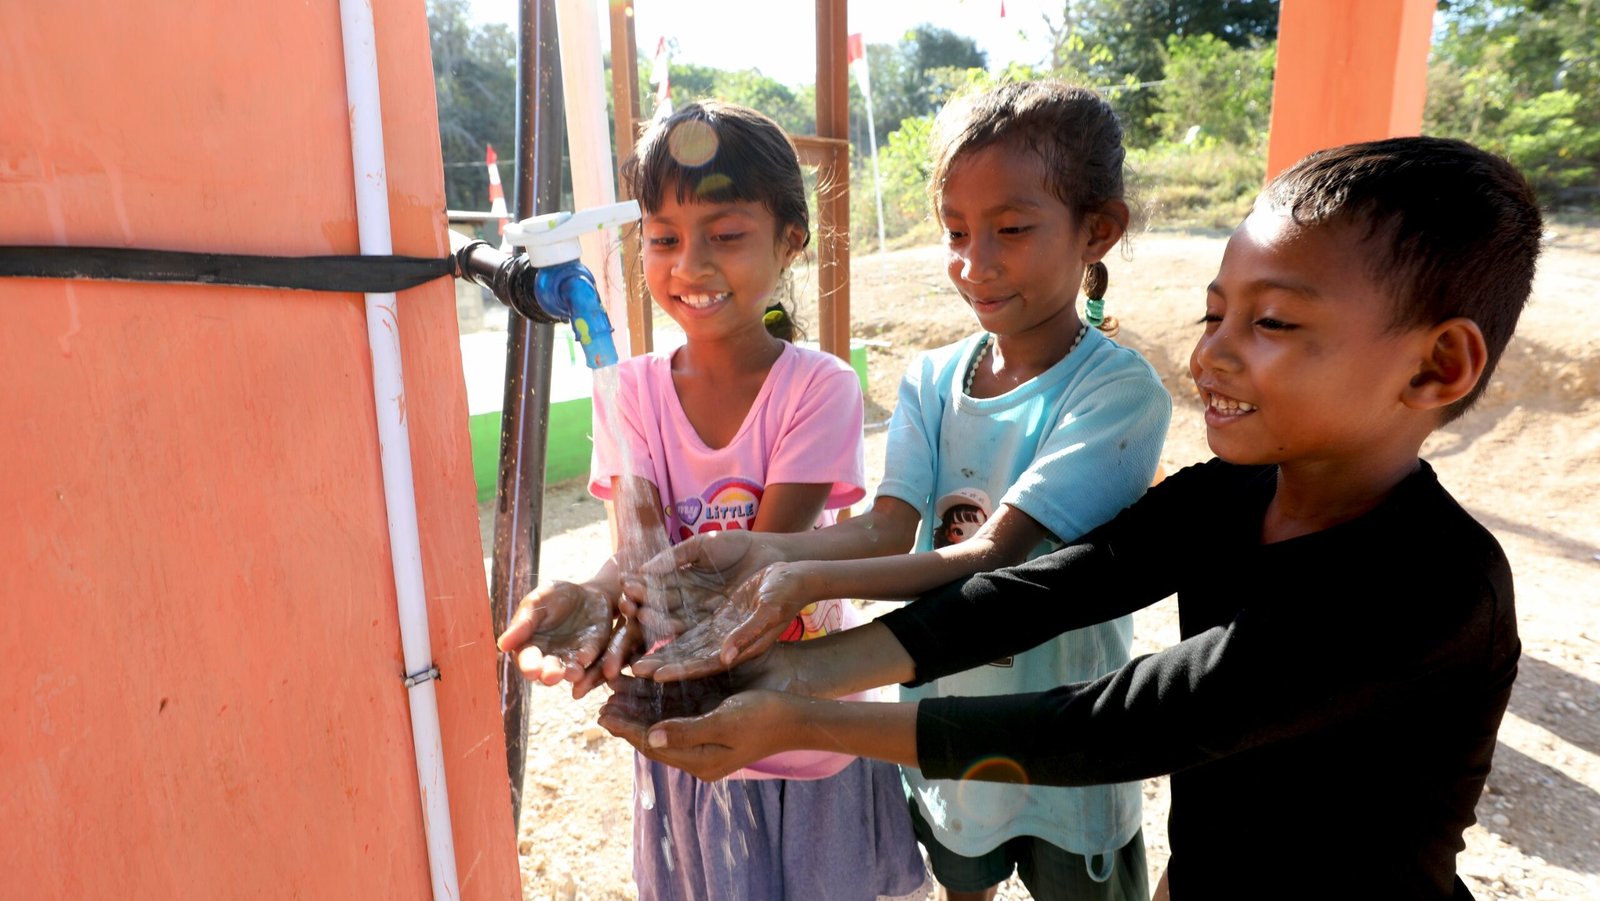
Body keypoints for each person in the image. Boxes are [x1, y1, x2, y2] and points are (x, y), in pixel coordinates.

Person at [602, 136, 1540, 901]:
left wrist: (803, 716)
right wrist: (788, 664)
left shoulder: (1428, 582)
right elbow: (1046, 588)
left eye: (1275, 324)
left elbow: (1122, 723)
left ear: (1436, 367)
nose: (1210, 355)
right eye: (1216, 315)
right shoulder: (1236, 493)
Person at [624, 81, 1171, 901]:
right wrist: (766, 549)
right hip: (938, 722)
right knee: (962, 880)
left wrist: (799, 576)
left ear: (1099, 230)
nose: (973, 263)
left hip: (1063, 726)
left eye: (1011, 230)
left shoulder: (1116, 391)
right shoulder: (931, 379)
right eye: (955, 231)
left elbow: (993, 555)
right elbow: (884, 530)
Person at [496, 101, 928, 901]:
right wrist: (592, 596)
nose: (689, 265)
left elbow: (760, 571)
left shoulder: (817, 387)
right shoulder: (629, 392)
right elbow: (637, 552)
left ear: (789, 240)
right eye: (663, 238)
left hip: (802, 727)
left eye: (724, 235)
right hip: (690, 739)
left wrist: (631, 612)